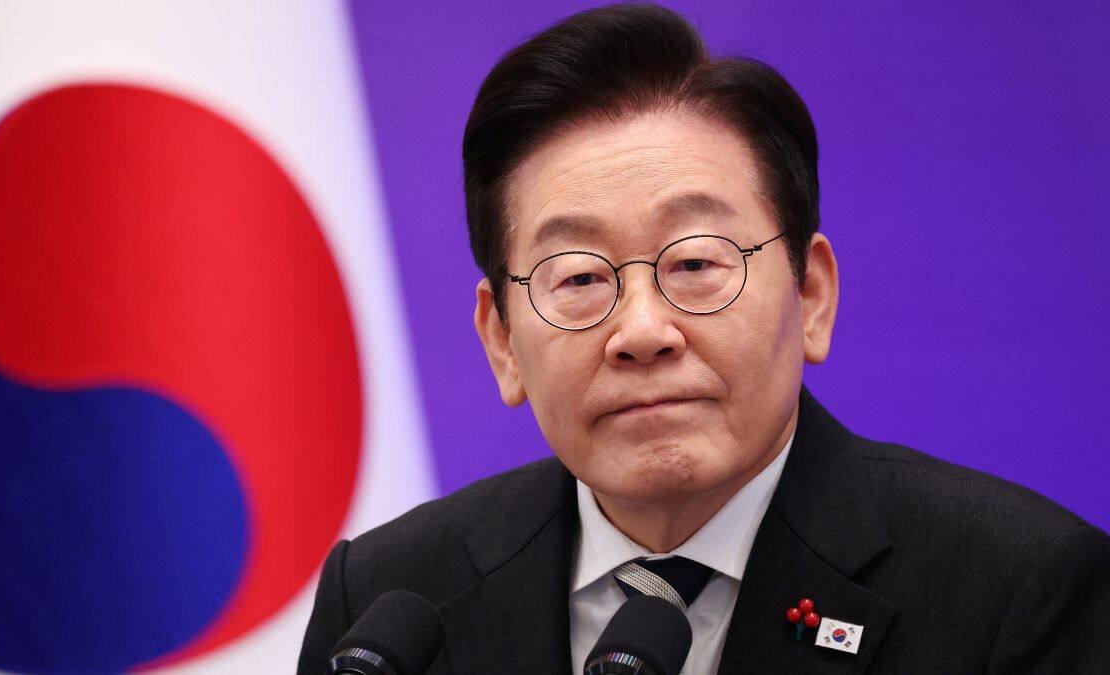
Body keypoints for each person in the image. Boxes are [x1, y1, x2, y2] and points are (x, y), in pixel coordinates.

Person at [298, 4, 1110, 673]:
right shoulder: (385, 605)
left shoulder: (1013, 590)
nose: (642, 332)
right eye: (578, 277)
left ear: (811, 293)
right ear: (501, 340)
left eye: (694, 262)